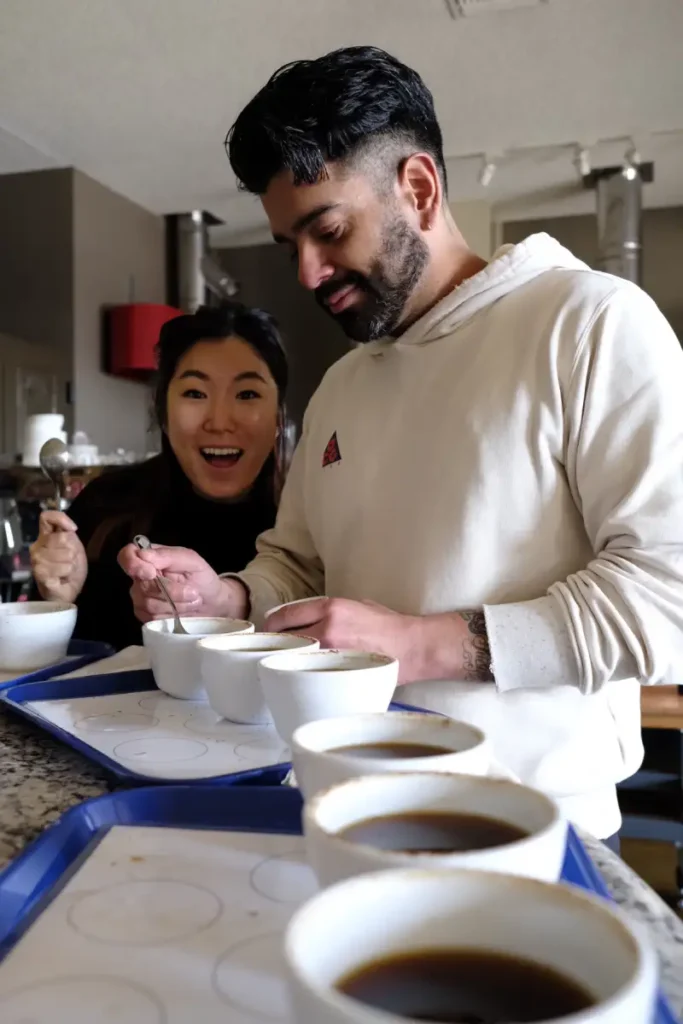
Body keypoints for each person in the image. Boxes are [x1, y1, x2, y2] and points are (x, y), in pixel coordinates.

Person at [120, 46, 683, 844]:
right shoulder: (343, 387)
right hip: (346, 798)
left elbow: (668, 600)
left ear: (417, 187)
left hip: (536, 823)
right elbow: (302, 565)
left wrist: (421, 645)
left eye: (328, 230)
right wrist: (231, 599)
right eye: (290, 246)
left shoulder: (590, 323)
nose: (309, 273)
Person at [31, 301, 288, 651]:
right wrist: (58, 601)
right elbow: (44, 671)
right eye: (195, 393)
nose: (219, 421)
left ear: (278, 417)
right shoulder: (104, 508)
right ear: (163, 413)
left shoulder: (304, 528)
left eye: (247, 394)